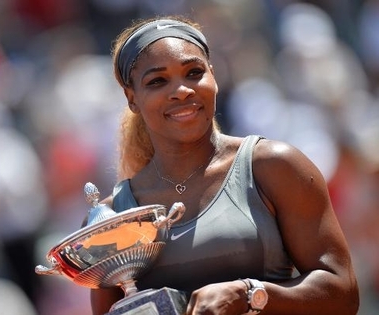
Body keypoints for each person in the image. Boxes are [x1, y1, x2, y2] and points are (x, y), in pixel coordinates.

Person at [89, 15, 359, 315]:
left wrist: (248, 294)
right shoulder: (113, 216)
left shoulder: (274, 166)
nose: (181, 90)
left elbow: (343, 293)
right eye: (157, 81)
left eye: (194, 72)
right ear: (132, 98)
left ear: (213, 76)